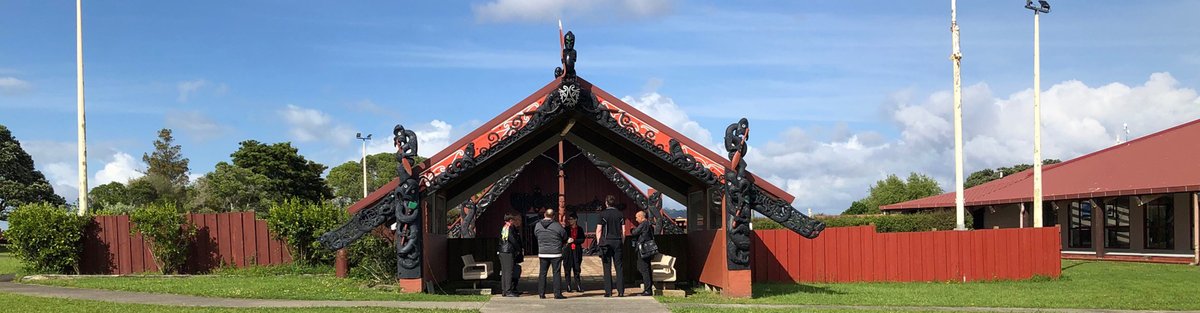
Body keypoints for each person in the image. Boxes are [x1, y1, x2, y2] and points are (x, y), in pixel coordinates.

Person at [595, 195, 626, 297]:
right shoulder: (620, 214)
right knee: (619, 267)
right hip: (617, 241)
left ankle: (608, 291)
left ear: (606, 203)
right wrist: (622, 242)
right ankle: (621, 291)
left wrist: (599, 243)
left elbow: (599, 230)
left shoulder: (602, 214)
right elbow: (624, 231)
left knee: (607, 267)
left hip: (606, 242)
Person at [533, 208, 568, 299]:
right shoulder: (557, 226)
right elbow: (564, 236)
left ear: (544, 215)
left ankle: (541, 293)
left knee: (542, 273)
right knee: (556, 273)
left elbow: (536, 235)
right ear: (553, 216)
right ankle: (557, 294)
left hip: (543, 252)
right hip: (555, 253)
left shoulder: (537, 225)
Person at [498, 213, 524, 297]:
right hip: (508, 251)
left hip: (503, 251)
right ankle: (508, 291)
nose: (513, 221)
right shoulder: (509, 228)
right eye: (512, 220)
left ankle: (504, 290)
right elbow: (512, 239)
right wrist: (518, 249)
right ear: (510, 220)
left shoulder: (505, 227)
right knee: (509, 271)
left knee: (505, 272)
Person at [631, 211, 655, 296]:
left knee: (643, 269)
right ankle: (648, 287)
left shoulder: (644, 224)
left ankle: (648, 289)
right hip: (648, 249)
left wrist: (632, 229)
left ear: (641, 217)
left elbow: (635, 232)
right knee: (646, 268)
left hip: (644, 249)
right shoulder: (648, 224)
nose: (636, 219)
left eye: (637, 217)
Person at [563, 213, 585, 292]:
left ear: (576, 219)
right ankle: (568, 286)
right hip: (568, 250)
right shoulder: (566, 229)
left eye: (571, 219)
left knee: (577, 268)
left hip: (577, 250)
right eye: (569, 219)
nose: (570, 221)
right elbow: (563, 238)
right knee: (567, 268)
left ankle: (578, 285)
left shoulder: (580, 229)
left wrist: (574, 240)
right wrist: (567, 240)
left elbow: (582, 239)